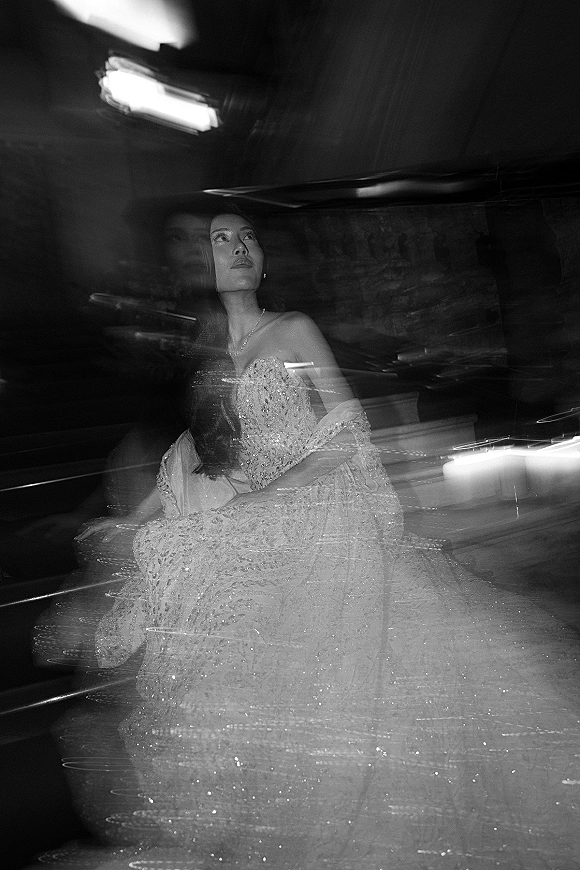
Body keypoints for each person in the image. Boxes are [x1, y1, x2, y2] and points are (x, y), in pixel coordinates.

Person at [57, 213, 580, 868]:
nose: (239, 249)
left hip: (317, 506)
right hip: (262, 518)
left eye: (247, 237)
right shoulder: (207, 351)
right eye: (222, 240)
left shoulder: (293, 329)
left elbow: (348, 429)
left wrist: (274, 495)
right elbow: (193, 451)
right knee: (198, 595)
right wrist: (138, 515)